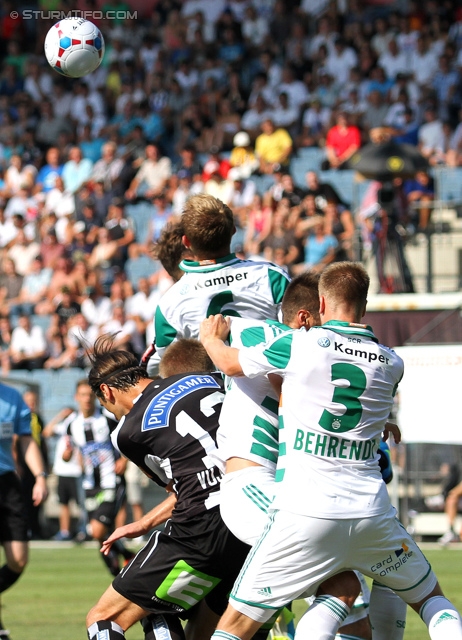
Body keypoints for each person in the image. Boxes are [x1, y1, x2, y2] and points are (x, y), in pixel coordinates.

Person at [200, 261, 462, 640]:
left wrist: (211, 338)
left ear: (321, 303)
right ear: (365, 305)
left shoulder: (300, 343)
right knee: (432, 602)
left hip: (304, 513)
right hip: (372, 513)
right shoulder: (392, 361)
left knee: (237, 625)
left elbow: (229, 363)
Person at [85, 337, 251, 640]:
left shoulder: (127, 432)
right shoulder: (209, 378)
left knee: (103, 617)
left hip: (201, 527)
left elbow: (182, 487)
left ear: (106, 391)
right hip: (251, 515)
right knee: (199, 628)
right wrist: (144, 522)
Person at [149, 194, 290, 374]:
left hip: (215, 397)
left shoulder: (169, 303)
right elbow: (299, 337)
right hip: (275, 390)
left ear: (186, 242)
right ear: (233, 230)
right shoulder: (272, 276)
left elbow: (169, 367)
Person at [60, 379, 132, 575]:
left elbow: (127, 438)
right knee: (97, 534)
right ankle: (123, 560)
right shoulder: (72, 425)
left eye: (90, 395)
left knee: (97, 530)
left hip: (111, 482)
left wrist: (124, 460)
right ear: (77, 398)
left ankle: (122, 564)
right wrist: (66, 455)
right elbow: (67, 455)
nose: (87, 400)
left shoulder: (108, 419)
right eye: (83, 395)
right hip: (90, 485)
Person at [0, 382, 48, 639]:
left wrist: (40, 477)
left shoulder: (12, 397)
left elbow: (26, 440)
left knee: (18, 560)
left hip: (7, 483)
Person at [42, 406, 87, 542]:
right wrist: (60, 416)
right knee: (64, 503)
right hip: (62, 471)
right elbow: (46, 432)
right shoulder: (63, 427)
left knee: (82, 505)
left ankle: (83, 530)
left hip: (76, 472)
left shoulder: (80, 427)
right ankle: (65, 531)